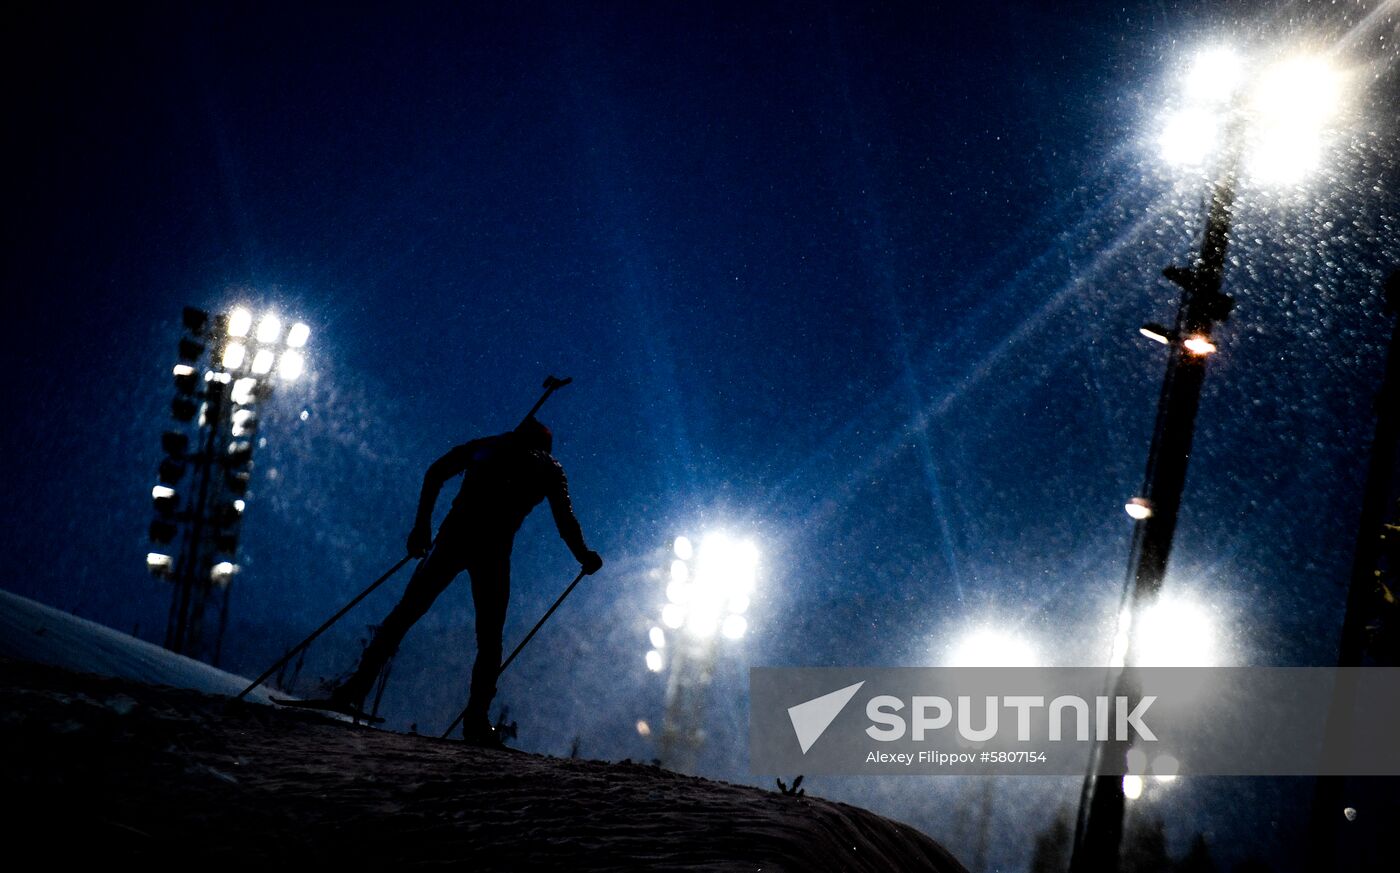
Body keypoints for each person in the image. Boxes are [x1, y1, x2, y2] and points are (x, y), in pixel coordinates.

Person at [329, 416, 602, 744]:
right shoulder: (547, 468)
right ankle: (475, 721)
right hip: (490, 551)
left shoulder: (493, 445)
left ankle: (356, 689)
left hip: (456, 539)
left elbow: (436, 472)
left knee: (409, 613)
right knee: (488, 640)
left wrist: (421, 527)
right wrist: (583, 555)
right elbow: (565, 520)